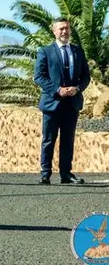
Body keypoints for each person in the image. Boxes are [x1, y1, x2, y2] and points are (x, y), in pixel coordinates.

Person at [34, 17, 90, 185]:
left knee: (67, 140)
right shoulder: (45, 51)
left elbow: (86, 76)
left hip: (71, 104)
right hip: (52, 103)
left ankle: (66, 174)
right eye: (61, 29)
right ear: (54, 31)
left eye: (66, 28)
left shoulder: (77, 51)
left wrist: (77, 88)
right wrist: (57, 90)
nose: (64, 31)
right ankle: (45, 174)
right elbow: (39, 76)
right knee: (49, 139)